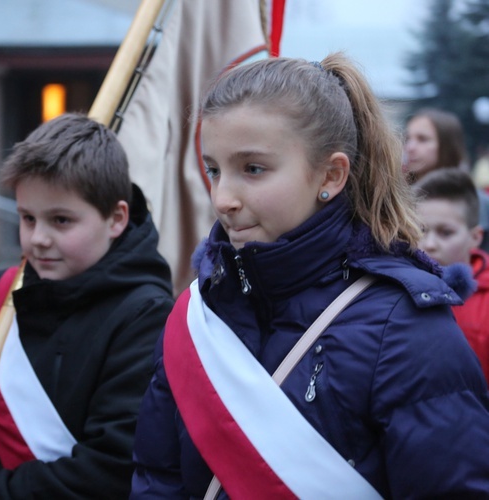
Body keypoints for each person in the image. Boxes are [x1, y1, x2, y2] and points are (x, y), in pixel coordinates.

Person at [130, 53, 489, 499]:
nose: (222, 198)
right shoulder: (198, 312)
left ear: (331, 174)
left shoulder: (407, 329)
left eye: (253, 169)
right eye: (214, 169)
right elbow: (158, 479)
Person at [0, 113, 174, 499]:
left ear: (116, 218)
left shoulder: (147, 317)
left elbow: (110, 468)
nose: (38, 239)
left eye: (61, 220)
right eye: (27, 218)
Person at [413, 168, 489, 383]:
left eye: (446, 233)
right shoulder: (394, 290)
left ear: (475, 237)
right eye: (421, 230)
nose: (429, 244)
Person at [404, 107, 489, 251]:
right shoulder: (397, 197)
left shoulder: (474, 199)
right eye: (408, 139)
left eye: (422, 139)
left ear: (447, 145)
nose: (410, 147)